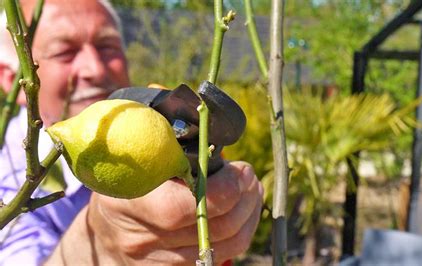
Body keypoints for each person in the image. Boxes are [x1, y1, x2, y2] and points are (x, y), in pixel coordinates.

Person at [0, 0, 263, 265]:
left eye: (107, 47)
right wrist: (103, 248)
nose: (96, 68)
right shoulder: (8, 180)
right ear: (13, 80)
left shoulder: (156, 125)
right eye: (64, 52)